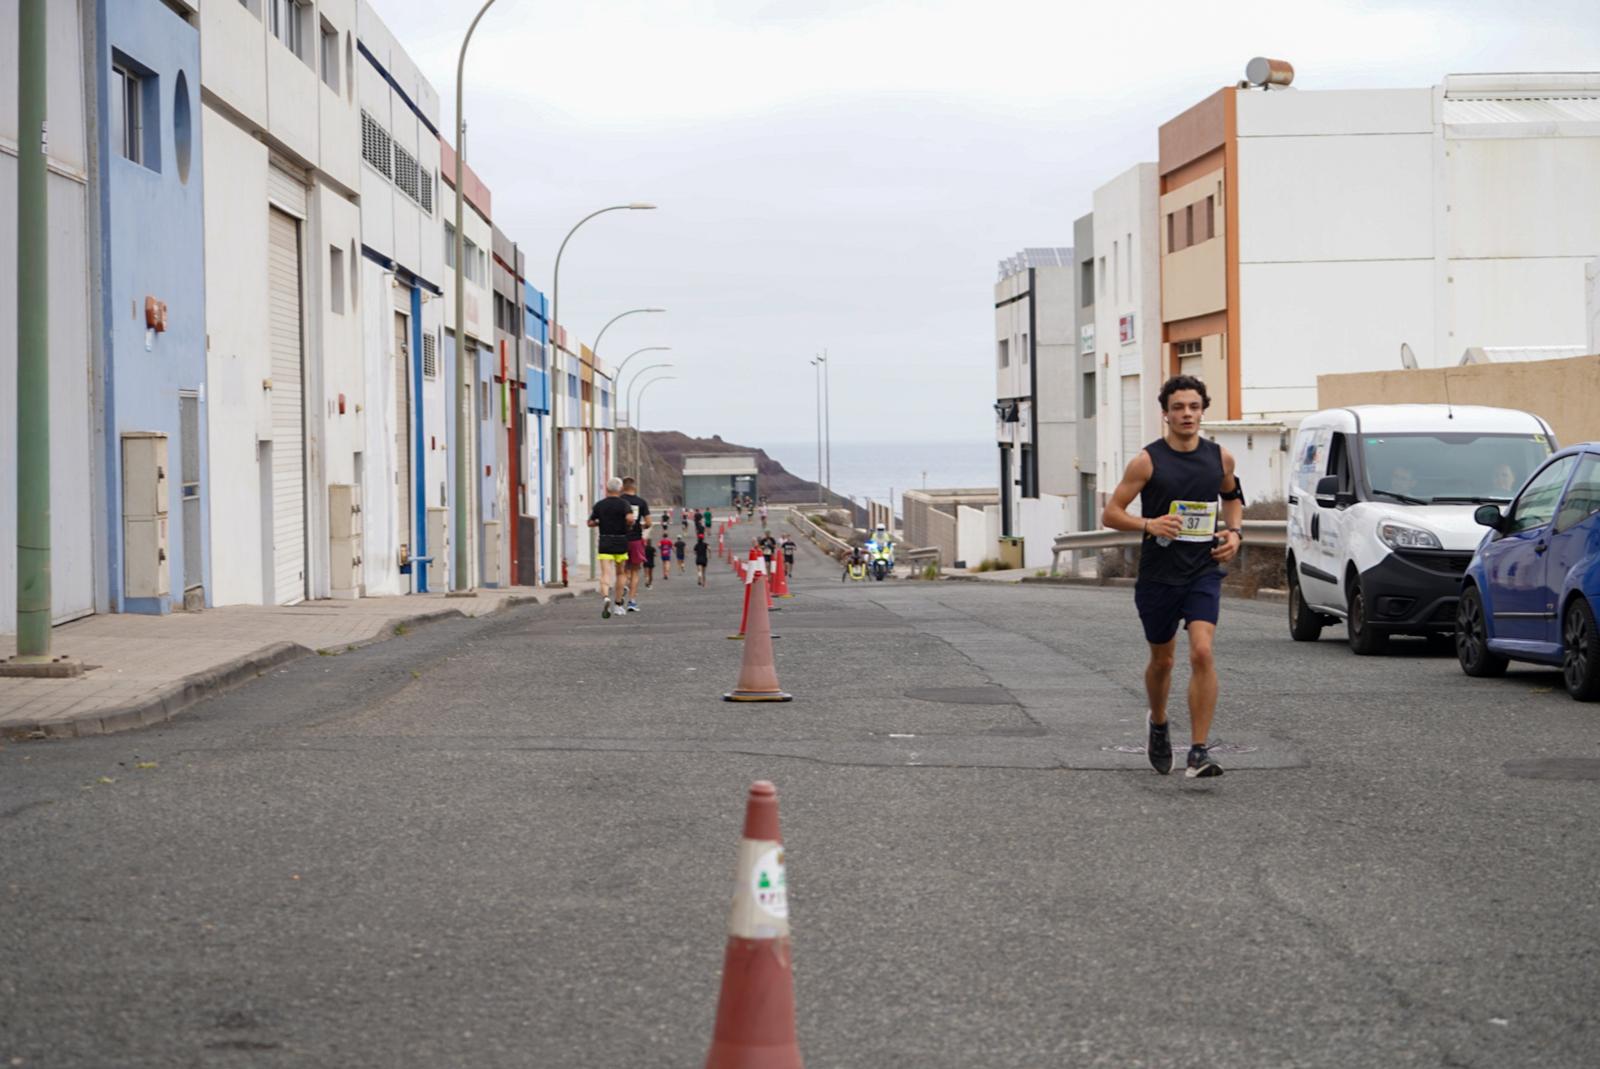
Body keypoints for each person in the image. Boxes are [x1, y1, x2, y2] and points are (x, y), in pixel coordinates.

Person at [1102, 374, 1243, 779]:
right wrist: (1149, 525)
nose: (1187, 414)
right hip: (1159, 576)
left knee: (1202, 651)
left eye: (1194, 407)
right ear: (1165, 414)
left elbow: (1232, 499)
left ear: (1202, 411)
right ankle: (1159, 723)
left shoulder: (1220, 458)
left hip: (1203, 569)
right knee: (1162, 660)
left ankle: (1198, 751)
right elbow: (1111, 513)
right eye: (1178, 407)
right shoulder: (1147, 460)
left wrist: (1234, 534)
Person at [587, 477, 635, 619]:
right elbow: (630, 519)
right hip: (620, 540)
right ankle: (618, 604)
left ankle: (606, 596)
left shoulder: (599, 505)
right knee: (620, 573)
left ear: (607, 489)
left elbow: (590, 522)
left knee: (605, 573)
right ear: (620, 489)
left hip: (605, 541)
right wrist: (628, 526)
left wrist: (599, 523)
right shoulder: (625, 504)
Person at [620, 476, 650, 614]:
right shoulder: (641, 502)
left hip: (620, 539)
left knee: (622, 570)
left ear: (622, 488)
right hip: (636, 540)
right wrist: (642, 526)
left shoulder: (619, 501)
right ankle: (632, 601)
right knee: (635, 571)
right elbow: (648, 522)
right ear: (634, 487)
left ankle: (623, 587)